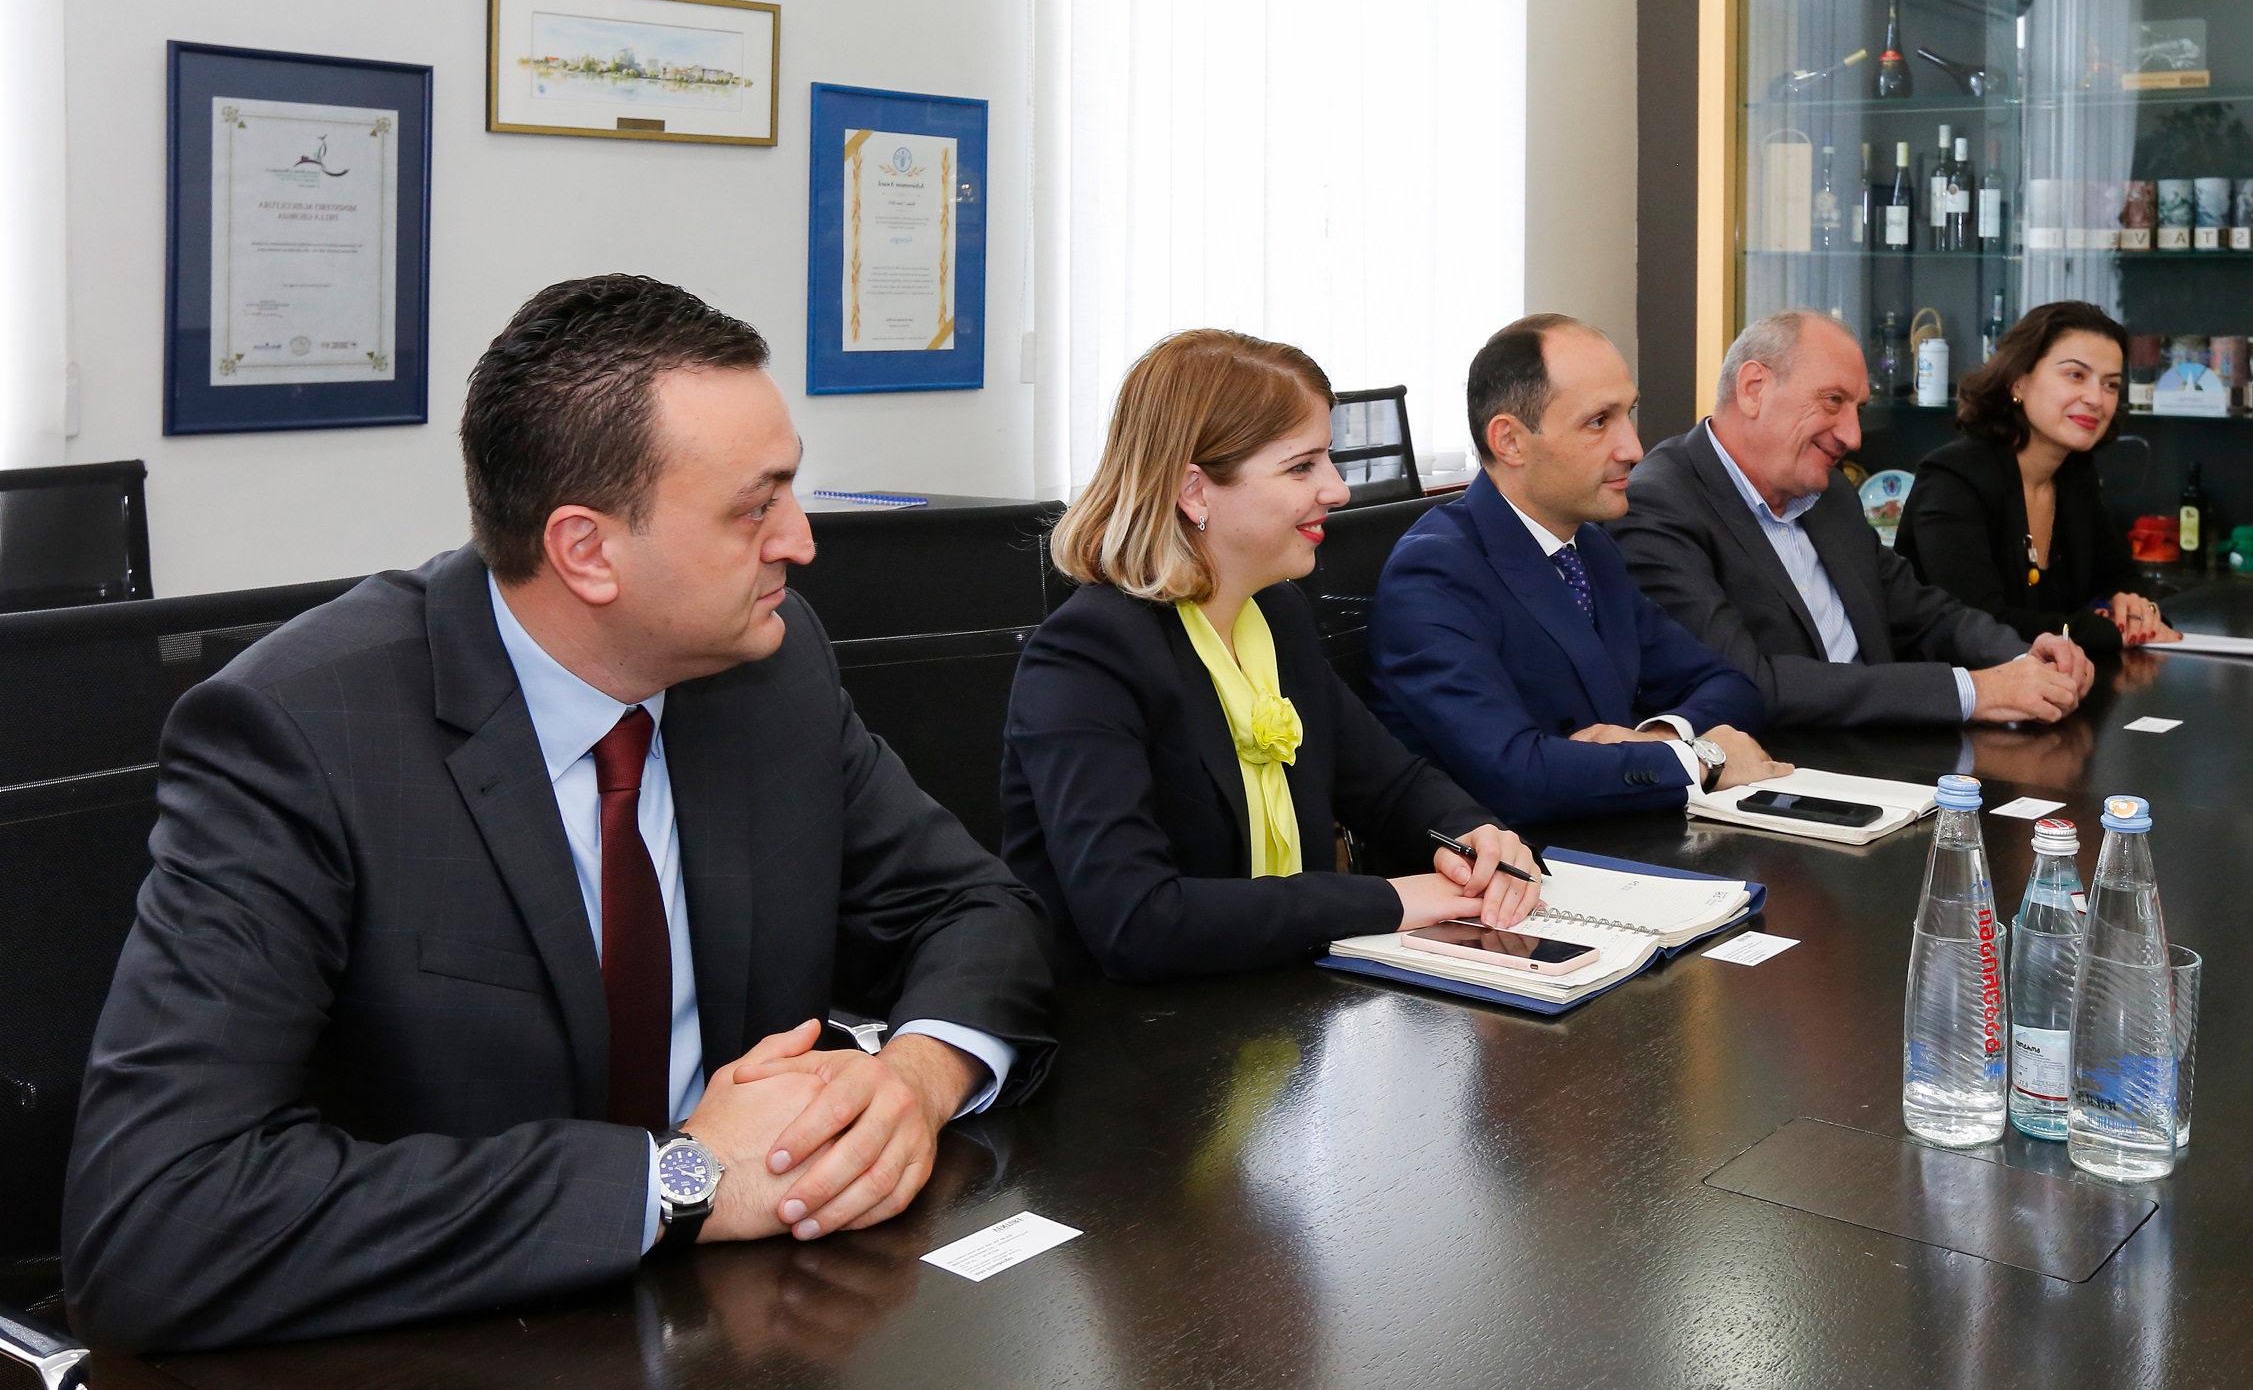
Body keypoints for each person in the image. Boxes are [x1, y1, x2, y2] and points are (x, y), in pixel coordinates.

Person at [64, 276, 1055, 1351]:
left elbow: (975, 907)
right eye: (754, 507)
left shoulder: (767, 669)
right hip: (452, 1348)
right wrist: (679, 1180)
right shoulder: (300, 736)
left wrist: (915, 1079)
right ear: (586, 550)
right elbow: (156, 1223)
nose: (800, 541)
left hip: (749, 1319)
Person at [999, 329, 1541, 983]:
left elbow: (1391, 787)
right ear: (1194, 491)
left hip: (1275, 998)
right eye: (1301, 467)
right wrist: (1392, 899)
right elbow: (1137, 922)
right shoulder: (1089, 655)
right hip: (1135, 1028)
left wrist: (1474, 837)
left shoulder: (1275, 614)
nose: (1337, 490)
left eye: (1327, 459)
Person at [1368, 313, 1786, 824]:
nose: (1633, 448)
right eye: (1598, 421)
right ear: (1510, 441)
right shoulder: (1433, 574)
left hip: (1619, 833)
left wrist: (1662, 737)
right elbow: (1517, 776)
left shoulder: (1588, 547)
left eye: (1628, 413)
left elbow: (1731, 684)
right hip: (1516, 860)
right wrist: (1699, 760)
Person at [1611, 308, 2095, 729]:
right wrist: (1975, 691)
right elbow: (1744, 682)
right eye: (1833, 401)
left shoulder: (1829, 493)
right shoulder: (1659, 505)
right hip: (1784, 774)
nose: (1853, 436)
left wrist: (2022, 656)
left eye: (1858, 409)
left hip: (1886, 754)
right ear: (1754, 389)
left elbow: (1921, 612)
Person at [1895, 301, 2179, 653]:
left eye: (2110, 384)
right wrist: (2106, 631)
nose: (2096, 399)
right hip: (1953, 684)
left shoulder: (2074, 475)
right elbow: (1981, 626)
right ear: (2018, 381)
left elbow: (2120, 577)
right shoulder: (1953, 480)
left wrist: (2133, 607)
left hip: (2052, 680)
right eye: (2076, 375)